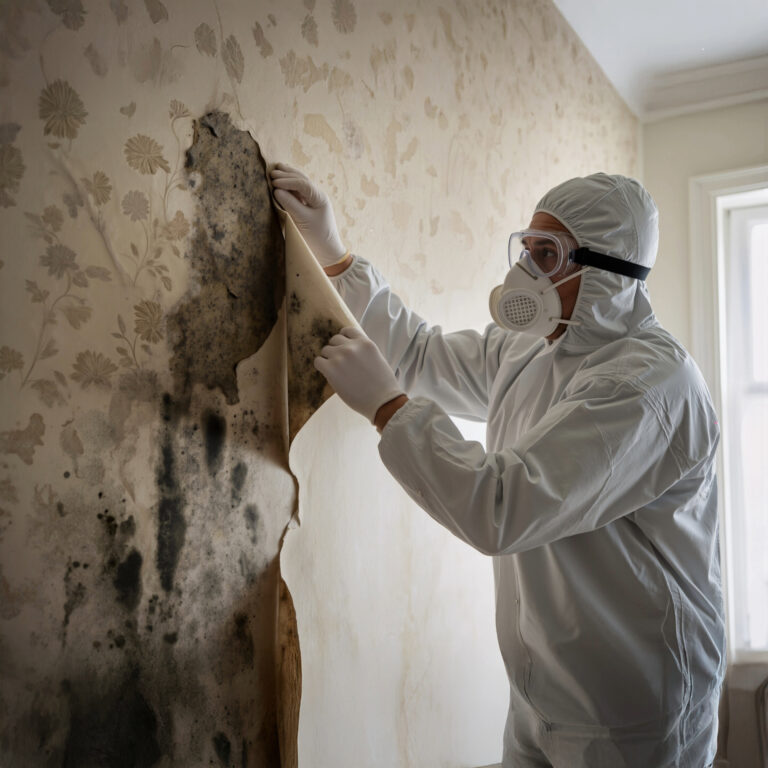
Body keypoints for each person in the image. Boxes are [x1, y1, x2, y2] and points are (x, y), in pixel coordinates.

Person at [270, 164, 726, 768]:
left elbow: (502, 507)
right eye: (527, 248)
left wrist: (389, 409)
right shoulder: (536, 346)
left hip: (631, 711)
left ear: (608, 273)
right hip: (541, 695)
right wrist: (335, 256)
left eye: (547, 254)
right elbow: (420, 354)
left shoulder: (648, 387)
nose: (525, 271)